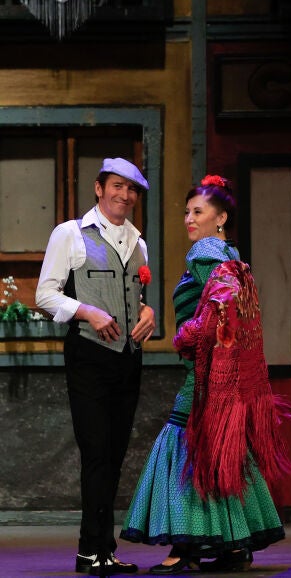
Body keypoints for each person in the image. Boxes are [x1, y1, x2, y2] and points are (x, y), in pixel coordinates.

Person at [120, 175, 291, 574]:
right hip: (223, 375)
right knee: (218, 448)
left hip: (204, 376)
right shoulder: (230, 254)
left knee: (185, 443)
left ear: (221, 218)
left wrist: (188, 333)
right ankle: (234, 548)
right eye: (187, 212)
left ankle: (184, 546)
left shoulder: (205, 253)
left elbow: (225, 303)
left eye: (198, 212)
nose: (189, 219)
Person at [36, 157, 156, 576]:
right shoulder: (70, 233)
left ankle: (105, 548)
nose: (125, 195)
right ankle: (90, 550)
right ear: (99, 188)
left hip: (128, 358)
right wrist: (87, 311)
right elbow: (46, 295)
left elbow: (131, 296)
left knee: (116, 455)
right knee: (97, 453)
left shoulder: (138, 243)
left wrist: (147, 311)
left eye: (132, 189)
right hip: (89, 355)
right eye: (118, 186)